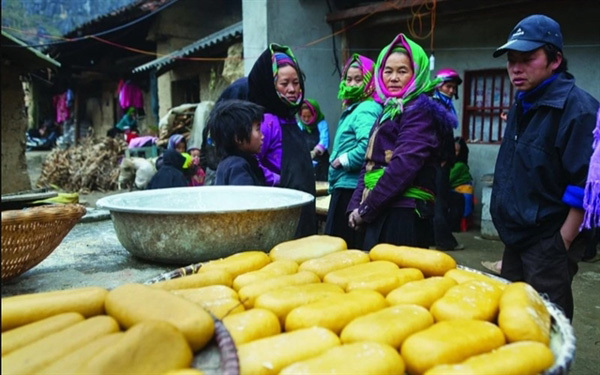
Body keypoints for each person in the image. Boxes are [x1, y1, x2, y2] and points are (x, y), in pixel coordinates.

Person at [490, 14, 599, 321]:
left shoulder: (579, 110)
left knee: (543, 324)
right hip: (518, 236)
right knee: (510, 320)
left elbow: (586, 186)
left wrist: (560, 243)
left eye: (528, 58)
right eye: (512, 60)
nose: (516, 68)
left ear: (555, 60)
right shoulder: (523, 102)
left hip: (549, 240)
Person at [347, 33, 456, 251]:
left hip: (403, 214)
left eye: (402, 71)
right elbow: (369, 163)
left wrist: (367, 209)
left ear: (417, 73)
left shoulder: (418, 110)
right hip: (381, 207)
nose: (393, 77)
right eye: (388, 71)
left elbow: (403, 166)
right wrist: (355, 205)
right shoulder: (389, 109)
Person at [248, 43, 317, 238]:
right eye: (284, 83)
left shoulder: (291, 119)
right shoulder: (268, 122)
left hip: (303, 204)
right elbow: (253, 162)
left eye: (296, 83)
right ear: (270, 85)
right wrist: (277, 181)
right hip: (283, 209)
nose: (292, 89)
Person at [324, 53, 382, 249]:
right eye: (348, 79)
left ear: (370, 82)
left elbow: (368, 145)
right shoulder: (355, 107)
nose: (352, 84)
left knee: (339, 246)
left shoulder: (366, 108)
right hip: (344, 184)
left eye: (359, 79)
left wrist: (343, 160)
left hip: (350, 187)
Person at [429, 69, 464, 251]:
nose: (451, 91)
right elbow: (434, 136)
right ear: (438, 85)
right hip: (437, 163)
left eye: (453, 88)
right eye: (448, 86)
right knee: (439, 203)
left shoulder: (444, 106)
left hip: (442, 162)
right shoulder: (435, 106)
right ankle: (444, 241)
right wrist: (441, 158)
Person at [208, 99, 266, 186]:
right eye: (258, 129)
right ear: (238, 138)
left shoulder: (229, 163)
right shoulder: (237, 166)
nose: (262, 136)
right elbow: (246, 198)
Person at [297, 99, 330, 181]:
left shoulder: (321, 124)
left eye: (309, 116)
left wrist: (314, 152)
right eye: (304, 117)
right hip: (305, 163)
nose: (306, 119)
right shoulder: (300, 125)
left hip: (321, 163)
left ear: (315, 114)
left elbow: (324, 140)